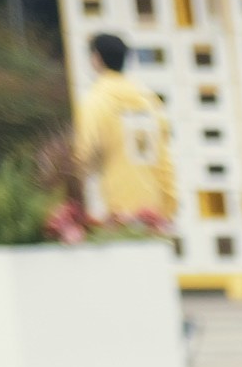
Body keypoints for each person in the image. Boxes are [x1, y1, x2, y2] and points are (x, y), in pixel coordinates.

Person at [73, 29, 177, 229]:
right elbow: (164, 159)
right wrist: (168, 207)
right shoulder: (149, 102)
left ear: (96, 59)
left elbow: (83, 155)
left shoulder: (95, 101)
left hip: (113, 213)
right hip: (152, 212)